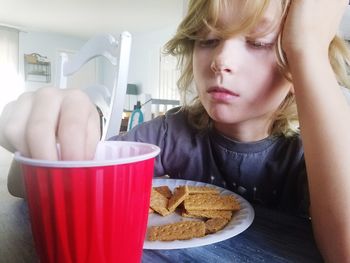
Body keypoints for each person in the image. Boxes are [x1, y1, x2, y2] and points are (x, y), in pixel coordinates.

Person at [1, 0, 350, 261]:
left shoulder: (309, 158)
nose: (220, 61)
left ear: (298, 72)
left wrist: (307, 47)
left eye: (258, 42)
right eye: (207, 39)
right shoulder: (169, 133)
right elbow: (24, 188)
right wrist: (42, 138)